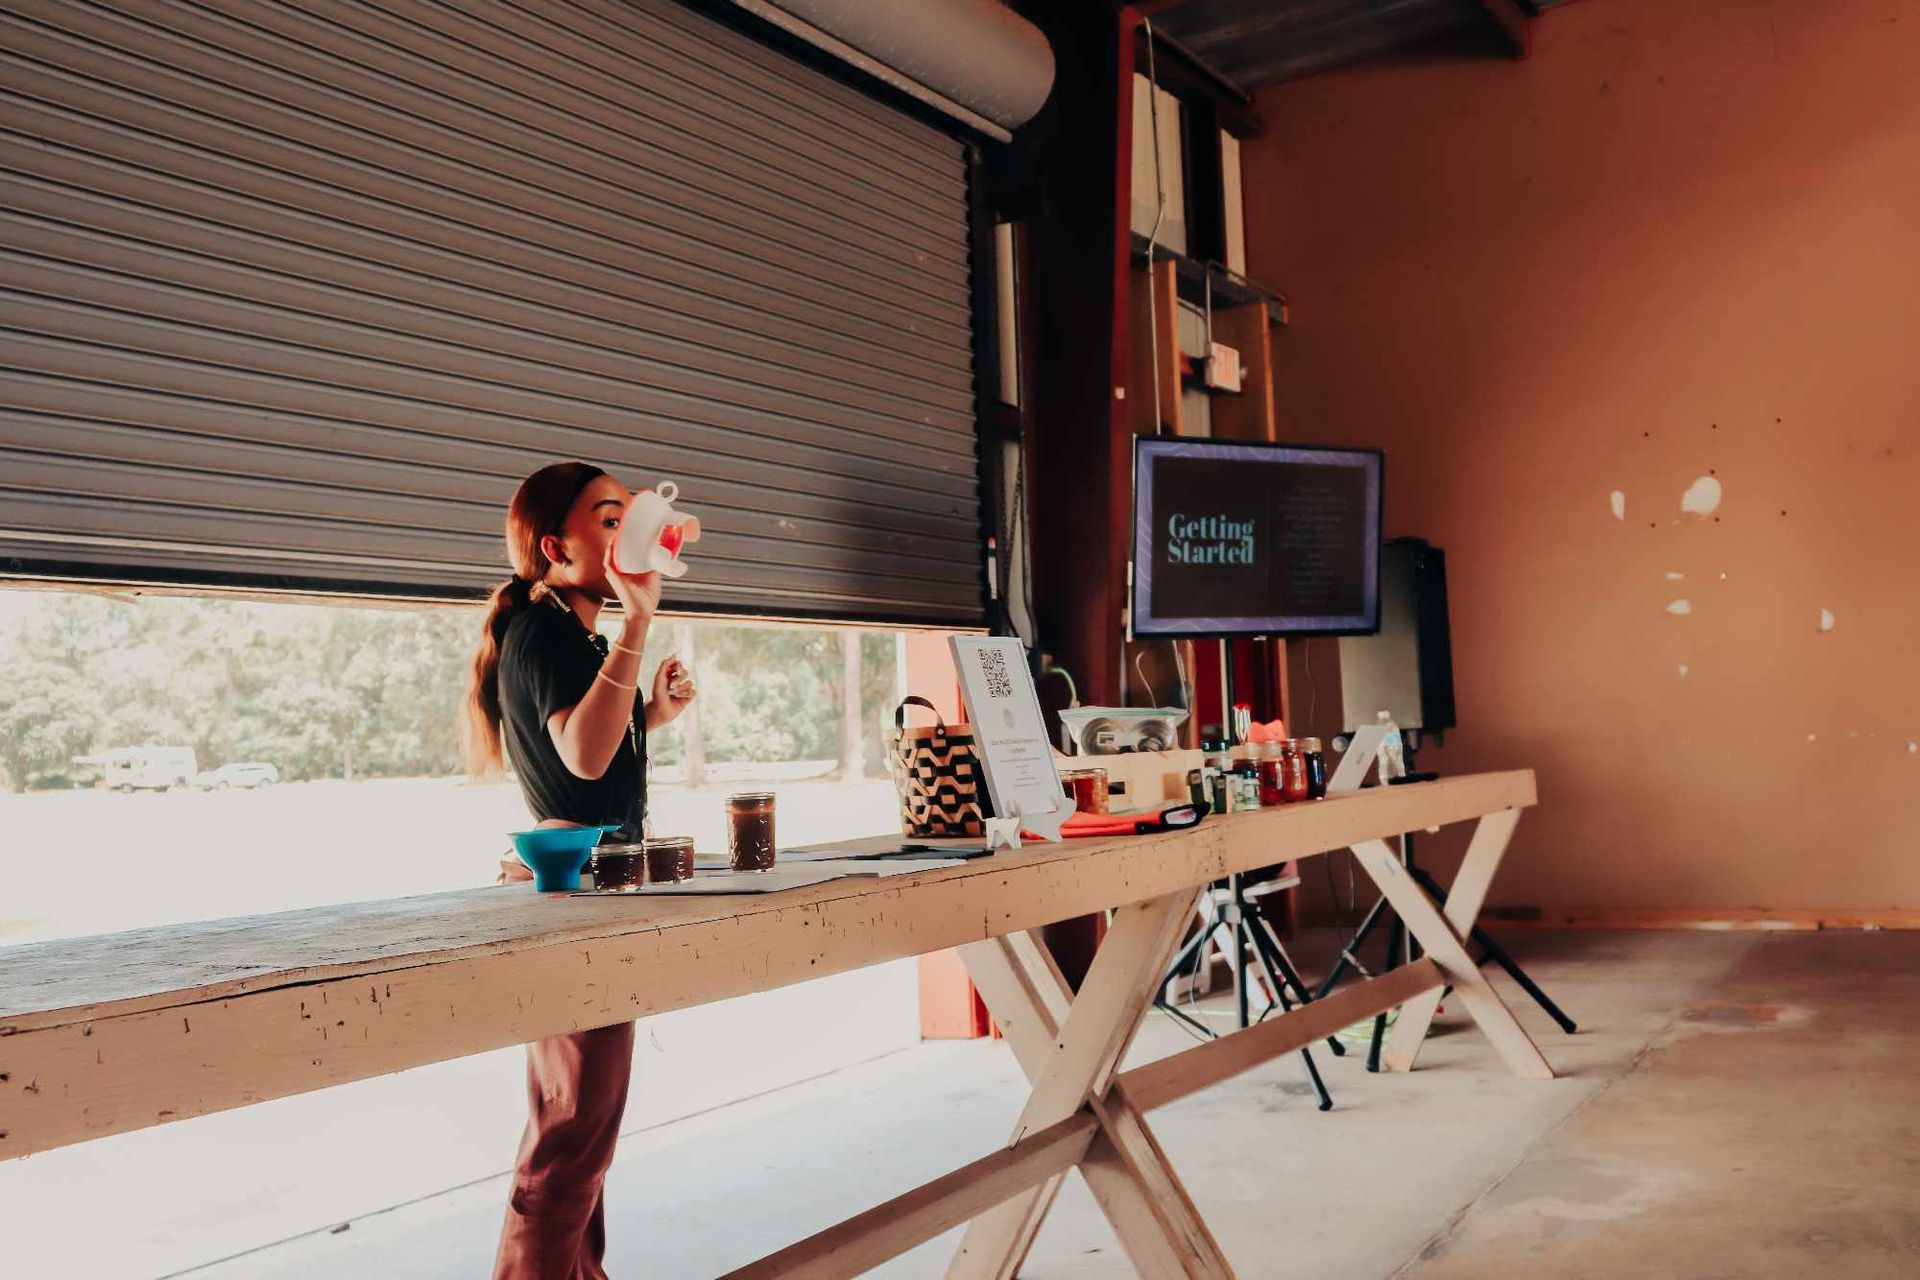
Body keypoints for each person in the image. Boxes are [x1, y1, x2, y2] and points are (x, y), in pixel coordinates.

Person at [463, 461, 696, 1279]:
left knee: (578, 1135)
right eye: (608, 518)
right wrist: (639, 623)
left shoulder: (565, 634)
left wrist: (651, 717)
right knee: (570, 1146)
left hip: (590, 889)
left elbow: (585, 751)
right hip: (576, 900)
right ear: (556, 547)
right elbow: (584, 759)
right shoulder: (550, 631)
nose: (627, 530)